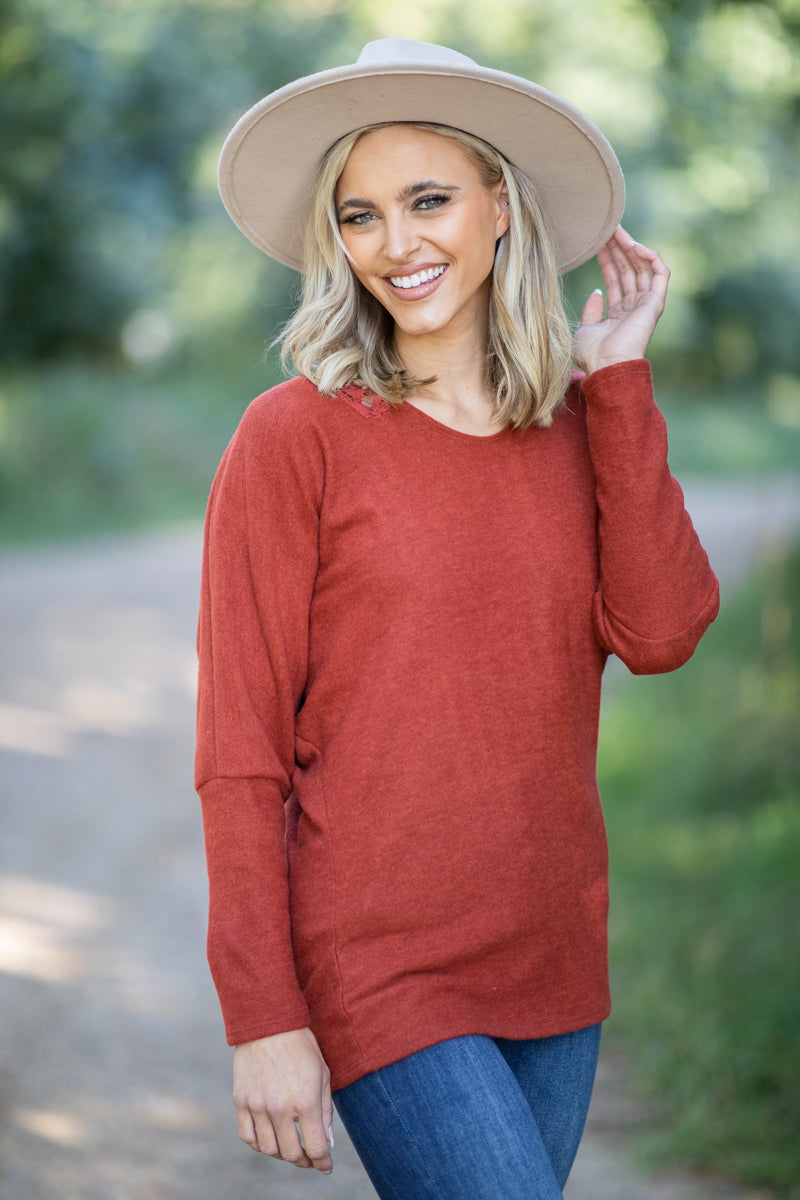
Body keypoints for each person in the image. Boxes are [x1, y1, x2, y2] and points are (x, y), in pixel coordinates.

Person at [196, 38, 719, 1200]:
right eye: (360, 215)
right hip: (380, 964)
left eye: (427, 200)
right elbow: (238, 753)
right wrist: (261, 1015)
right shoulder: (295, 437)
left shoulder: (584, 425)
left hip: (550, 955)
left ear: (498, 204)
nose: (396, 243)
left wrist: (619, 387)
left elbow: (662, 632)